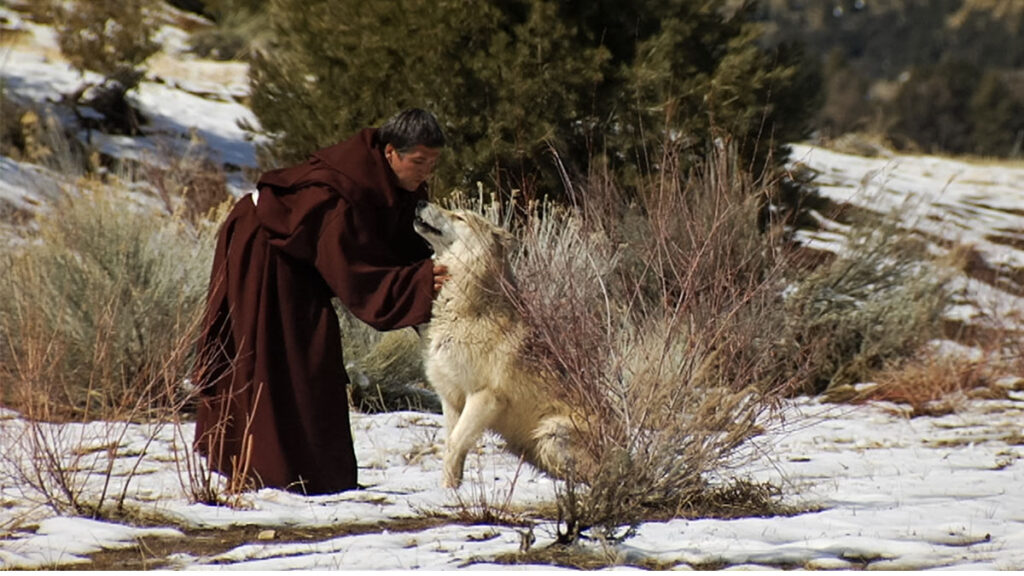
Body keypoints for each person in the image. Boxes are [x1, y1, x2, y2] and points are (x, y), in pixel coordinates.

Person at [193, 108, 449, 495]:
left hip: (296, 258)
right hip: (263, 252)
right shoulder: (340, 194)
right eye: (419, 162)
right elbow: (356, 272)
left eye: (433, 163)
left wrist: (430, 267)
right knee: (281, 358)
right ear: (391, 152)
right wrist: (420, 281)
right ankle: (269, 472)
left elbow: (393, 241)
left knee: (306, 357)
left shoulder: (392, 183)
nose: (426, 172)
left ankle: (307, 475)